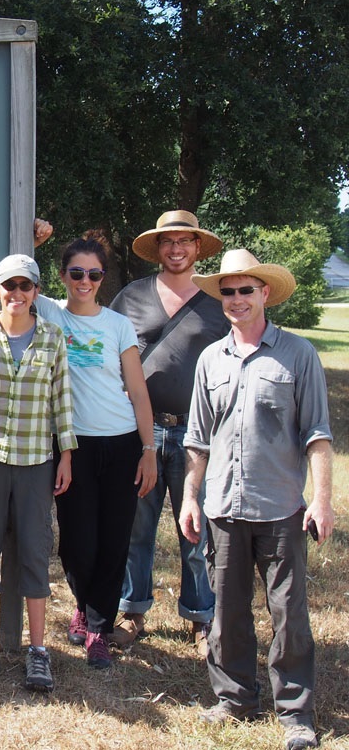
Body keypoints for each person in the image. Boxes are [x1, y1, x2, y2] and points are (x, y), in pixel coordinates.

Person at [179, 249, 334, 750]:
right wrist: (189, 498)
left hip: (282, 506)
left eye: (247, 289)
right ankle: (234, 699)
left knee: (288, 613)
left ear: (265, 293)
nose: (237, 299)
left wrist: (322, 500)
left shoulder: (298, 354)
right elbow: (197, 440)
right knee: (227, 612)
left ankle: (295, 713)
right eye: (229, 290)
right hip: (222, 505)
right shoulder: (209, 359)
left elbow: (317, 434)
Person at [0, 254, 76, 692]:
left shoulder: (53, 338)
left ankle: (37, 652)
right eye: (10, 286)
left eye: (26, 286)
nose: (17, 294)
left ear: (37, 291)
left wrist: (66, 454)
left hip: (36, 460)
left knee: (34, 551)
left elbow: (61, 400)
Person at [107, 210, 228, 654]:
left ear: (198, 248)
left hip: (199, 434)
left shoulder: (217, 301)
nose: (176, 250)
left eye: (185, 242)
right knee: (136, 526)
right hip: (142, 431)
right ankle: (132, 611)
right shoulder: (133, 296)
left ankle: (200, 616)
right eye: (168, 242)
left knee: (196, 528)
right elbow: (106, 351)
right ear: (157, 249)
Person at [34, 232, 157, 669]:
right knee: (76, 544)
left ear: (102, 278)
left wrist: (148, 449)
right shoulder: (48, 312)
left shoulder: (117, 324)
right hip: (73, 446)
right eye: (76, 273)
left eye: (93, 274)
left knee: (114, 539)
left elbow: (138, 392)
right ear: (63, 275)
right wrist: (31, 234)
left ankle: (97, 629)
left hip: (122, 443)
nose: (84, 281)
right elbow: (13, 275)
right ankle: (86, 604)